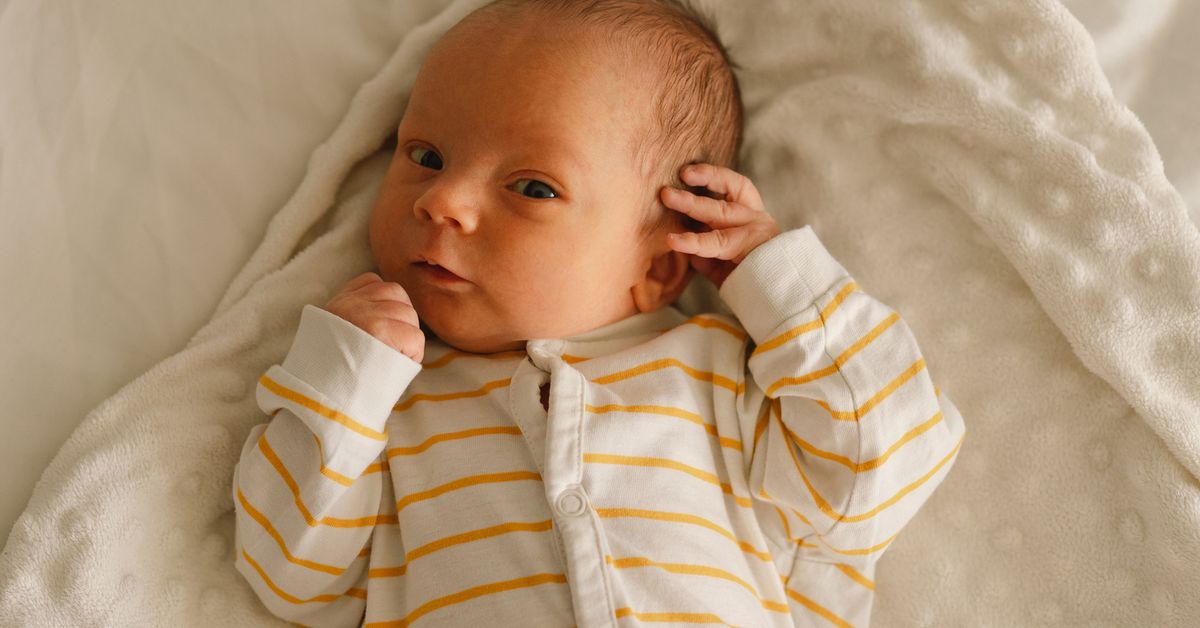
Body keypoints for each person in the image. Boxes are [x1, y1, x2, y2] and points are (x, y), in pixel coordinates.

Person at [231, 0, 967, 626]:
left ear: (659, 265)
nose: (440, 200)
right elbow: (293, 579)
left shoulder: (718, 378)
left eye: (533, 188)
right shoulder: (387, 408)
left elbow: (879, 471)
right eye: (425, 156)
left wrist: (778, 284)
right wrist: (342, 384)